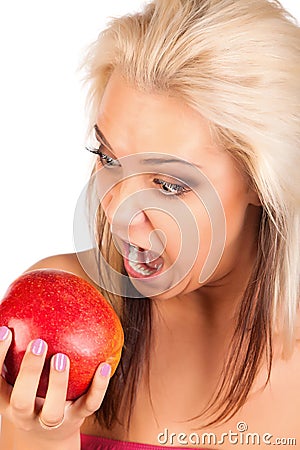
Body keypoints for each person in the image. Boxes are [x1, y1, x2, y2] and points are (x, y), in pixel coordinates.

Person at [0, 0, 299, 449]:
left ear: (263, 182)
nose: (119, 215)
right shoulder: (59, 312)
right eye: (108, 158)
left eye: (169, 184)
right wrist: (43, 438)